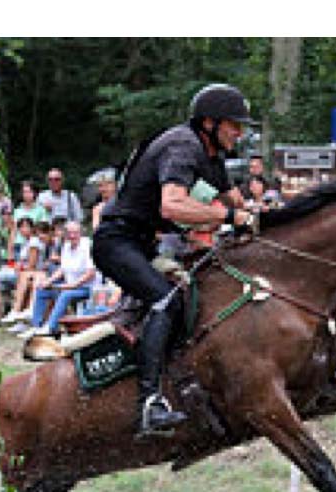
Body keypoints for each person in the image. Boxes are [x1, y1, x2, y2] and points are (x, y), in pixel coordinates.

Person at [91, 83, 254, 438]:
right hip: (116, 242)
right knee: (165, 300)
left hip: (144, 244)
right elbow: (173, 205)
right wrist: (227, 219)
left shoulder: (212, 157)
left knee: (197, 292)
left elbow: (237, 203)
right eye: (234, 124)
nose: (239, 132)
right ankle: (149, 403)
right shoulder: (183, 145)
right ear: (209, 122)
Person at [19, 221, 99, 339]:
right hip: (69, 284)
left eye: (75, 233)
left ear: (80, 233)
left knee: (66, 294)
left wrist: (72, 285)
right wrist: (49, 281)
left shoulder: (86, 246)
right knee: (42, 289)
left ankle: (51, 327)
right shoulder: (66, 246)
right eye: (69, 233)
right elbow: (62, 269)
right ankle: (36, 326)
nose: (72, 236)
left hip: (87, 287)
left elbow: (91, 273)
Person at [0, 217, 48, 329]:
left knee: (0, 277)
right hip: (24, 273)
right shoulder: (26, 242)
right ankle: (19, 320)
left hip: (33, 273)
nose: (23, 229)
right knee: (2, 282)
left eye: (26, 226)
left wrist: (20, 267)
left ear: (32, 228)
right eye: (21, 227)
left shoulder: (34, 242)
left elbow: (32, 264)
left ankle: (15, 310)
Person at [13, 181, 50, 247]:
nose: (27, 194)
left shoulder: (41, 210)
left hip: (33, 245)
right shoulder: (17, 211)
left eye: (29, 192)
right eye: (24, 192)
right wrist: (10, 251)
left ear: (34, 193)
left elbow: (43, 230)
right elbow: (13, 231)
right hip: (18, 244)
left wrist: (30, 233)